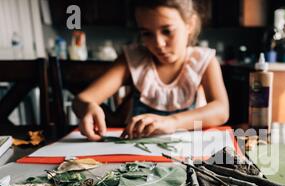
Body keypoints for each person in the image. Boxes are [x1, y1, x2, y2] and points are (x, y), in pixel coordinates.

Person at [72, 0, 229, 141]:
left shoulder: (204, 61)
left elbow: (221, 110)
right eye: (147, 33)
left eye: (167, 31)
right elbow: (81, 100)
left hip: (186, 152)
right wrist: (87, 107)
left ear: (190, 24)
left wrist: (172, 122)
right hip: (134, 155)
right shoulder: (132, 59)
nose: (158, 43)